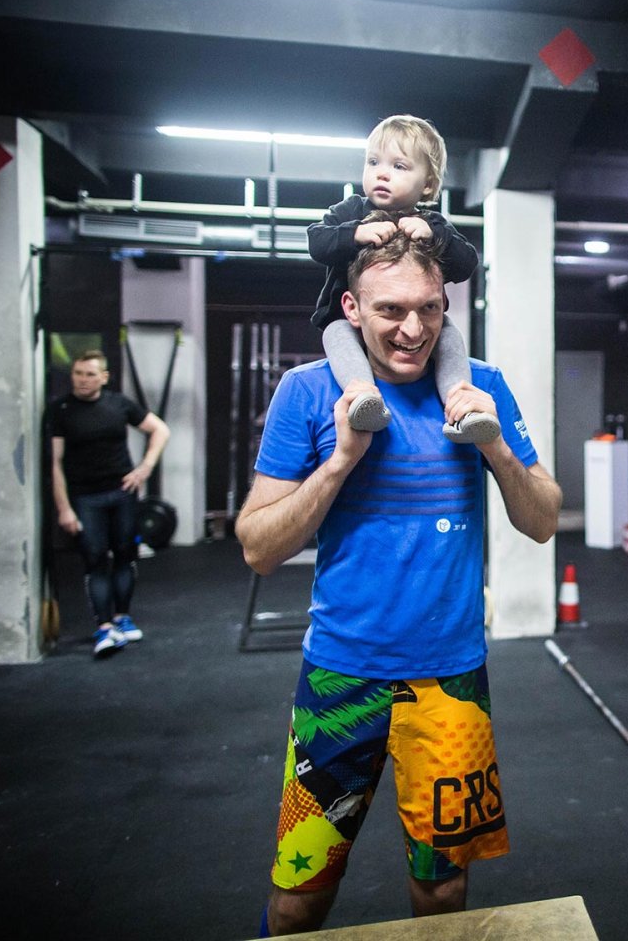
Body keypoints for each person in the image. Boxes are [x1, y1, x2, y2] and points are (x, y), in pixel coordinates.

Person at [236, 232, 560, 936]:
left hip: (452, 686)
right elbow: (259, 548)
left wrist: (496, 446)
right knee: (301, 893)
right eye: (390, 311)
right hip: (340, 679)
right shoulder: (309, 391)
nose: (412, 330)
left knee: (443, 894)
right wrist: (339, 462)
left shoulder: (482, 387)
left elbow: (542, 520)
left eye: (430, 309)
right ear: (351, 307)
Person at [308, 113, 497, 444]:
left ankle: (462, 406)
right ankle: (363, 397)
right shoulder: (351, 211)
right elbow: (317, 242)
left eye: (399, 166)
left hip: (414, 318)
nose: (382, 172)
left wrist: (434, 237)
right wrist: (355, 233)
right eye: (373, 162)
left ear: (427, 184)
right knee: (336, 335)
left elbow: (466, 264)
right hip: (345, 320)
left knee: (450, 337)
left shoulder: (433, 223)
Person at [48, 350, 171, 657]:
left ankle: (122, 618)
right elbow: (55, 463)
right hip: (85, 496)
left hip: (122, 492)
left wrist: (144, 468)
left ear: (103, 377)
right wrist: (63, 508)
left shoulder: (118, 404)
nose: (83, 380)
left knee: (125, 556)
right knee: (95, 560)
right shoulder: (61, 410)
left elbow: (160, 430)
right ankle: (104, 626)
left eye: (90, 374)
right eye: (78, 374)